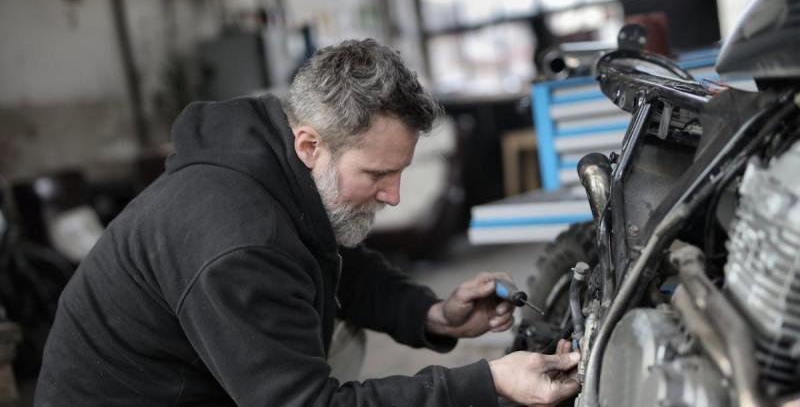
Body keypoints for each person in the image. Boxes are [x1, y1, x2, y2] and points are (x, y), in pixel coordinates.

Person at [34, 39, 580, 406]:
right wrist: (486, 382)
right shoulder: (239, 241)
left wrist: (434, 315)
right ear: (310, 144)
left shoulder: (274, 168)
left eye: (400, 173)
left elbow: (338, 264)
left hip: (191, 380)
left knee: (342, 324)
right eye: (378, 174)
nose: (393, 196)